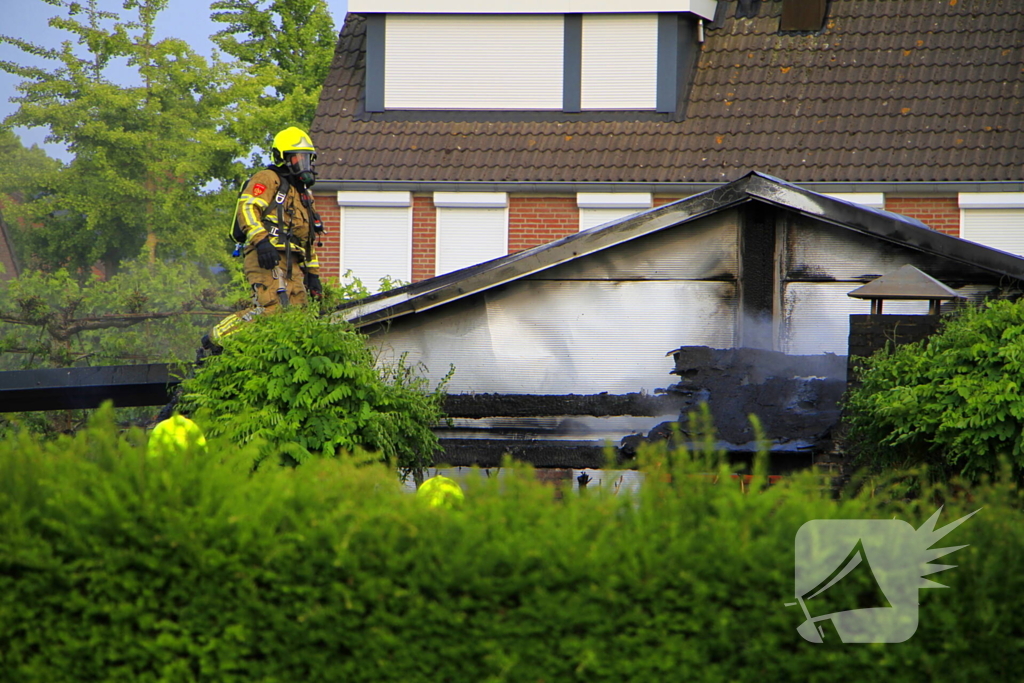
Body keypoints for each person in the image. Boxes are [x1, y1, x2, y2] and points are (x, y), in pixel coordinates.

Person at [202, 127, 325, 354]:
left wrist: (313, 276)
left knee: (298, 315)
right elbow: (247, 208)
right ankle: (215, 339)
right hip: (266, 256)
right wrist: (261, 241)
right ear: (282, 157)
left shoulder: (304, 195)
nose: (303, 164)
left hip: (294, 262)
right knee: (271, 309)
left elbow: (307, 239)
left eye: (307, 158)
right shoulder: (267, 179)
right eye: (297, 158)